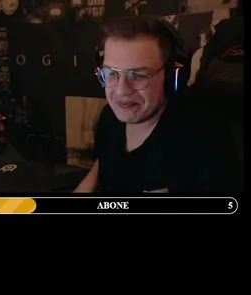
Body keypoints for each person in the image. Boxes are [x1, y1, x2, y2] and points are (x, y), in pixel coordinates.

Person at [74, 14, 240, 195]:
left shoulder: (204, 137)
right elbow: (102, 167)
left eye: (138, 75)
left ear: (171, 76)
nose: (121, 91)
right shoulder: (109, 116)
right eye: (111, 73)